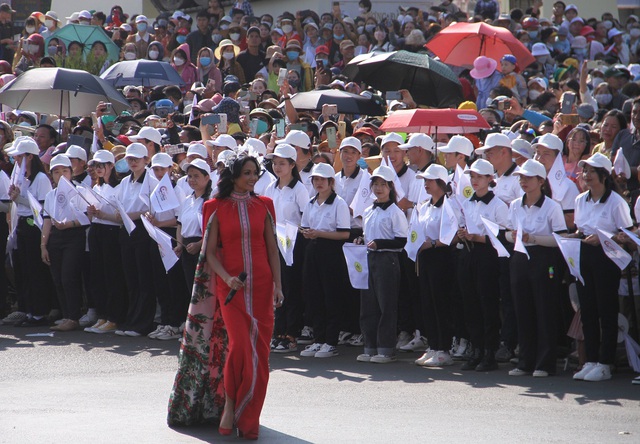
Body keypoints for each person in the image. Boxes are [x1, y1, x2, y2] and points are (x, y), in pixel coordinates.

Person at [168, 154, 283, 439]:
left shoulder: (265, 205)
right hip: (230, 288)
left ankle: (249, 416)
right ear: (233, 176)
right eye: (247, 173)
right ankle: (231, 405)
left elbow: (272, 250)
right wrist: (226, 278)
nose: (253, 178)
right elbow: (209, 253)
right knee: (240, 348)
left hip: (262, 286)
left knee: (260, 354)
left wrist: (279, 286)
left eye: (255, 173)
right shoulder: (214, 206)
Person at [571, 153, 633, 382]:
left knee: (605, 309)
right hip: (584, 254)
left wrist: (603, 237)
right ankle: (591, 359)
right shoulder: (580, 200)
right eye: (585, 171)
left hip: (607, 256)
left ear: (604, 176)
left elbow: (628, 232)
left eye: (591, 171)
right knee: (587, 309)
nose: (586, 175)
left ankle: (605, 363)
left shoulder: (616, 201)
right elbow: (580, 230)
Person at [506, 160, 567, 377]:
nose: (523, 181)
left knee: (544, 310)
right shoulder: (514, 205)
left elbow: (559, 239)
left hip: (545, 258)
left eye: (528, 178)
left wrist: (531, 237)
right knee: (523, 311)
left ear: (541, 181)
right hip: (521, 257)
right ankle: (525, 362)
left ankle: (544, 363)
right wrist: (512, 236)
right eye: (521, 177)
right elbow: (507, 233)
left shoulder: (552, 206)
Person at [457, 159, 511, 371]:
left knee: (487, 303)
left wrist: (478, 237)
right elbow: (465, 225)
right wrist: (463, 234)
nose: (475, 180)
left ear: (490, 179)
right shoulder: (468, 201)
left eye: (479, 176)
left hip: (488, 256)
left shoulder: (498, 204)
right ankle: (476, 348)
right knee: (470, 303)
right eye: (472, 176)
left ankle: (489, 352)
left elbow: (504, 235)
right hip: (468, 254)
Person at [356, 165, 408, 364]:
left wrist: (381, 243)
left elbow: (402, 240)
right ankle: (370, 346)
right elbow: (366, 234)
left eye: (383, 185)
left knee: (386, 304)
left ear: (391, 187)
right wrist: (361, 241)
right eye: (375, 184)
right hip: (368, 258)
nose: (378, 188)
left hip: (388, 259)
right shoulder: (368, 210)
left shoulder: (395, 211)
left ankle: (386, 348)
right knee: (367, 303)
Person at [299, 163, 351, 358]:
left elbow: (344, 233)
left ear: (331, 182)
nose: (319, 183)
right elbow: (305, 226)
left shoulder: (339, 203)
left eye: (323, 179)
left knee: (331, 297)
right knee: (314, 297)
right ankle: (319, 339)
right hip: (312, 250)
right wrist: (307, 233)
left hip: (331, 252)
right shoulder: (311, 202)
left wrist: (319, 233)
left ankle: (330, 341)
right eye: (316, 179)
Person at [263, 144, 309, 353]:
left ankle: (291, 333)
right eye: (275, 163)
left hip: (293, 243)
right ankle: (277, 331)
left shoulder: (299, 189)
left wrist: (292, 231)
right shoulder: (270, 188)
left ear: (292, 165)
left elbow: (306, 219)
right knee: (275, 287)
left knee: (291, 287)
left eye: (282, 163)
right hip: (273, 242)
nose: (277, 167)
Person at [8, 137, 55, 327]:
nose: (17, 160)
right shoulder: (23, 177)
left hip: (36, 227)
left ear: (29, 156)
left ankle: (39, 312)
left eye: (20, 156)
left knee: (36, 270)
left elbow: (42, 208)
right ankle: (29, 309)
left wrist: (20, 198)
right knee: (25, 269)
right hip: (23, 224)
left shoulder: (41, 178)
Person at [414, 164, 456, 367]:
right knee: (427, 302)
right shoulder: (424, 205)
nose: (426, 184)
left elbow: (453, 236)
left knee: (441, 303)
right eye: (425, 181)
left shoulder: (450, 204)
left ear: (441, 182)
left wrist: (431, 243)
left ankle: (444, 349)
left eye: (430, 180)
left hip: (442, 257)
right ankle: (433, 345)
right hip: (425, 257)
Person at [41, 154, 89, 332]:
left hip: (74, 236)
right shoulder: (51, 195)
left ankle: (74, 316)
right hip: (56, 237)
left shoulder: (80, 191)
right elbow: (47, 220)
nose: (61, 175)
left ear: (71, 172)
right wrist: (43, 245)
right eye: (56, 171)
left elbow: (87, 218)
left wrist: (69, 224)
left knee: (69, 276)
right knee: (58, 278)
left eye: (65, 171)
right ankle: (66, 315)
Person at [84, 150, 128, 334]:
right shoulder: (96, 187)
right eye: (95, 165)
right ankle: (102, 315)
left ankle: (114, 317)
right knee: (98, 276)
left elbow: (121, 218)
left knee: (112, 276)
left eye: (102, 165)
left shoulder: (118, 188)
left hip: (111, 233)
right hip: (97, 231)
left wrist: (104, 215)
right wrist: (92, 213)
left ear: (111, 165)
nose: (98, 169)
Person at [174, 158, 212, 297]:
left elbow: (213, 229)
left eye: (196, 176)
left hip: (204, 247)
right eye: (189, 176)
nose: (192, 179)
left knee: (204, 288)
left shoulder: (211, 200)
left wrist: (199, 244)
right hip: (187, 247)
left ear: (207, 177)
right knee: (190, 286)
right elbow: (180, 225)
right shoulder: (187, 200)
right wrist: (179, 244)